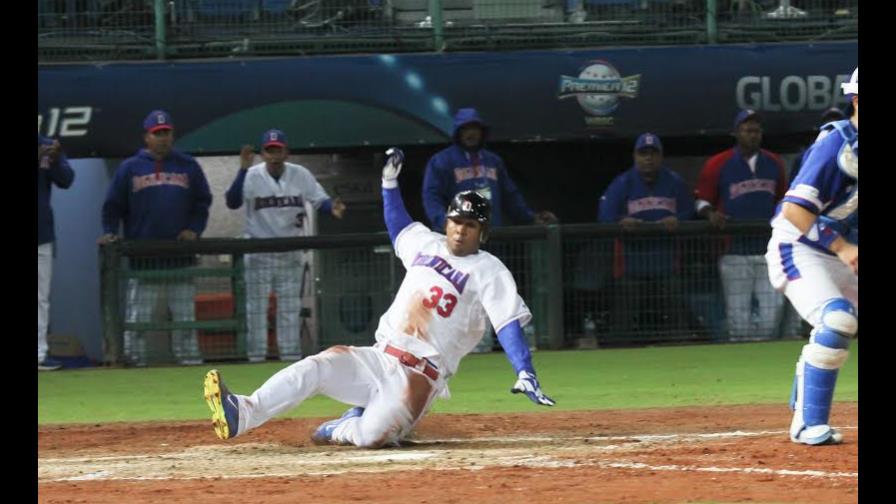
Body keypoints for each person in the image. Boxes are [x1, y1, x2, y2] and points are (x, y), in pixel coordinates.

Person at [204, 147, 555, 447]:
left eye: (470, 225)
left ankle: (342, 427)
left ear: (483, 232)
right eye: (456, 221)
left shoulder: (489, 270)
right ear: (446, 221)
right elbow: (397, 222)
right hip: (379, 357)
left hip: (420, 378)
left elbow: (507, 323)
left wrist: (524, 370)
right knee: (314, 367)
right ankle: (243, 412)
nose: (460, 230)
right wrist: (388, 182)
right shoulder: (426, 243)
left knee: (371, 437)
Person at [765, 67, 857, 446]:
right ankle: (807, 424)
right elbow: (794, 211)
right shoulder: (836, 145)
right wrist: (843, 247)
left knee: (839, 322)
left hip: (843, 251)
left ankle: (806, 386)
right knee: (837, 319)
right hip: (800, 245)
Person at [99, 110, 213, 366]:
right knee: (138, 317)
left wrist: (194, 229)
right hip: (143, 257)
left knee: (185, 317)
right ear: (147, 137)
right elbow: (113, 206)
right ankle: (132, 359)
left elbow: (202, 202)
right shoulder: (130, 167)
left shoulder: (188, 165)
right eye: (157, 133)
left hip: (180, 255)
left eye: (166, 133)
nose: (163, 138)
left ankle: (189, 360)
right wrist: (110, 231)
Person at [225, 129, 347, 363]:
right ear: (263, 154)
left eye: (278, 150)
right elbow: (232, 202)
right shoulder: (251, 175)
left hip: (290, 251)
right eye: (269, 150)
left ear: (286, 152)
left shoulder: (300, 174)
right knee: (256, 309)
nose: (274, 155)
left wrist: (332, 207)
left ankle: (290, 359)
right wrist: (242, 169)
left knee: (290, 310)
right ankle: (256, 359)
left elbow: (320, 200)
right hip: (258, 252)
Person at [695, 109, 788, 341]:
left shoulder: (774, 162)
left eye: (756, 130)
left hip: (768, 249)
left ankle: (763, 357)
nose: (752, 135)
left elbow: (784, 200)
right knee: (738, 318)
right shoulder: (718, 163)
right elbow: (701, 201)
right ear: (736, 133)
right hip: (734, 249)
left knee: (771, 314)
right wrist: (710, 213)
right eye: (747, 130)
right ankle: (742, 358)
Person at [598, 133, 695, 338]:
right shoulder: (622, 183)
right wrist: (622, 221)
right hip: (631, 267)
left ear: (661, 156)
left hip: (666, 265)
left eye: (653, 153)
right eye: (643, 153)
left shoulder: (674, 182)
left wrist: (677, 219)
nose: (648, 158)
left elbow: (689, 212)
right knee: (622, 323)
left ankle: (680, 348)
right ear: (635, 156)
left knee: (677, 318)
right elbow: (604, 216)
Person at [422, 107, 557, 231]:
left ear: (482, 132)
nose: (471, 133)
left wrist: (531, 218)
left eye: (475, 129)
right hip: (458, 237)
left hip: (491, 236)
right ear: (458, 132)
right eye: (465, 129)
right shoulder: (442, 161)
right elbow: (431, 196)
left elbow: (510, 196)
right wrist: (444, 222)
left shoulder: (493, 161)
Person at [38, 135, 75, 371]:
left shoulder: (46, 146)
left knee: (40, 299)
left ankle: (39, 354)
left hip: (41, 235)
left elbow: (67, 179)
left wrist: (56, 158)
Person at [789, 106, 847, 186]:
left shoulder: (850, 153)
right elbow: (794, 185)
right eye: (828, 121)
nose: (832, 124)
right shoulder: (806, 155)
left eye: (836, 120)